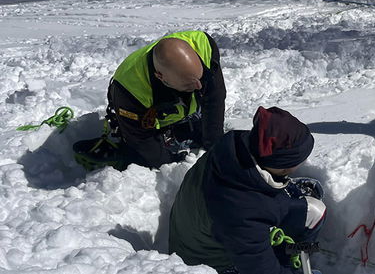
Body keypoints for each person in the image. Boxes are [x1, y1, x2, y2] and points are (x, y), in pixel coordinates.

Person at [169, 106, 326, 274]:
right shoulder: (243, 212)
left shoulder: (234, 147)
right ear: (281, 167)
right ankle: (289, 260)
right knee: (314, 212)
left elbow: (252, 200)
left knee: (310, 201)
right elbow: (262, 270)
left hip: (200, 237)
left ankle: (289, 250)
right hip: (211, 264)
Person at [100, 30, 226, 169]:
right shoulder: (129, 90)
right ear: (160, 76)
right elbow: (142, 139)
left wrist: (213, 144)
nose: (199, 86)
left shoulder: (204, 47)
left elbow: (215, 98)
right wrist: (172, 165)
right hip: (143, 113)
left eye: (200, 77)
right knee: (140, 156)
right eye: (188, 84)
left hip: (173, 93)